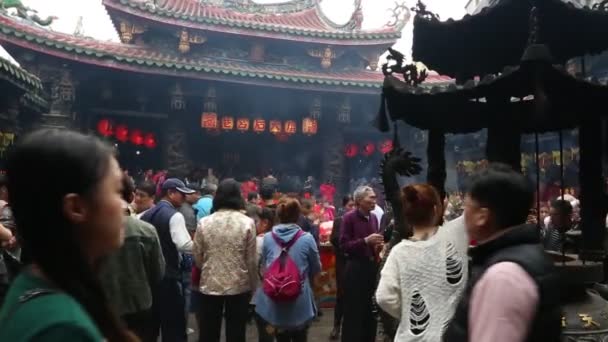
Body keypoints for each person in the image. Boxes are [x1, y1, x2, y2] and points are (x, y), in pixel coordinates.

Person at [0, 129, 136, 341]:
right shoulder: (62, 329)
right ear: (76, 207)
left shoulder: (34, 282)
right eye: (117, 191)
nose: (124, 205)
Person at [444, 164, 561, 342]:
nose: (463, 215)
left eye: (467, 206)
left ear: (482, 216)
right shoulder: (525, 256)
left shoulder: (503, 276)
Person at [375, 184, 468, 341]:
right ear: (435, 208)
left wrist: (408, 310)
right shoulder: (456, 235)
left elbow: (384, 297)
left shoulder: (399, 252)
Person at [99, 174, 165, 342]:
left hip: (102, 306)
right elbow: (157, 272)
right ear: (131, 196)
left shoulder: (89, 229)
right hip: (139, 304)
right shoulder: (146, 230)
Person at [193, 179, 257, 342]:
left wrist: (209, 267)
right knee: (236, 332)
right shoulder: (247, 223)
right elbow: (251, 260)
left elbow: (197, 257)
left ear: (217, 197)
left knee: (208, 332)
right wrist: (253, 286)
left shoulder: (204, 222)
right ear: (238, 197)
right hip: (239, 285)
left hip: (210, 283)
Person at [254, 197, 321, 342]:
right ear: (298, 216)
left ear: (278, 215)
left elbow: (265, 266)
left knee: (280, 337)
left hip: (274, 299)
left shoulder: (268, 238)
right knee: (300, 337)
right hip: (300, 300)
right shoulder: (307, 238)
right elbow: (316, 267)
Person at [141, 178, 195, 342]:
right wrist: (203, 244)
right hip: (169, 277)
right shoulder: (174, 216)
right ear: (170, 193)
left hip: (150, 278)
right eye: (181, 194)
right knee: (174, 327)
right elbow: (185, 244)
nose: (184, 199)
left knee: (151, 326)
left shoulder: (145, 214)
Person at [339, 186, 384, 342]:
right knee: (353, 312)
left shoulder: (374, 218)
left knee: (370, 311)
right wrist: (365, 241)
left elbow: (374, 243)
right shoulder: (348, 218)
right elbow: (344, 246)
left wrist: (377, 246)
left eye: (375, 197)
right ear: (359, 201)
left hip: (370, 269)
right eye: (370, 198)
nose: (374, 200)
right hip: (355, 269)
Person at [329, 195, 355, 340]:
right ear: (345, 206)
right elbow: (333, 239)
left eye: (354, 205)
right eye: (350, 205)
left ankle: (350, 327)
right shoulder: (339, 220)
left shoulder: (360, 220)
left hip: (355, 262)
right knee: (341, 296)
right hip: (343, 263)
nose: (352, 208)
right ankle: (336, 326)